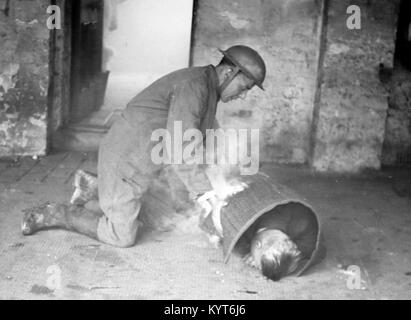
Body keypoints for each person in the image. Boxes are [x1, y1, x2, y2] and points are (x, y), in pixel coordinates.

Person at [22, 45, 267, 248]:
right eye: (244, 87)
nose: (242, 95)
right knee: (122, 236)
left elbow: (207, 139)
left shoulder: (206, 89)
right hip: (126, 162)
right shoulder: (193, 86)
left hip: (145, 162)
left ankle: (97, 187)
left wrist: (229, 179)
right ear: (228, 73)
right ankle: (58, 213)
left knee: (168, 216)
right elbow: (181, 148)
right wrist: (208, 195)